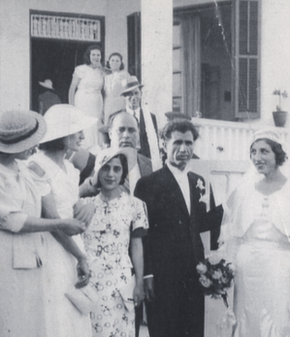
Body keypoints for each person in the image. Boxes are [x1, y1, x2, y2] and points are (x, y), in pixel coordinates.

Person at [0, 110, 87, 337]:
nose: (34, 148)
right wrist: (61, 224)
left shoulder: (24, 168)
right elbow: (14, 220)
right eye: (28, 143)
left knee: (29, 324)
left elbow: (48, 206)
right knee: (3, 322)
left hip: (32, 259)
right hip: (1, 258)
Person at [219, 128, 290, 337]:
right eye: (253, 152)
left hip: (280, 272)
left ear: (277, 154)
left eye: (264, 151)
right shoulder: (243, 190)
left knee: (280, 324)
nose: (257, 158)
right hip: (245, 274)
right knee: (246, 324)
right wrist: (227, 274)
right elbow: (233, 237)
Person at [134, 120, 223, 337]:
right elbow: (143, 235)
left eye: (189, 143)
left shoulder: (199, 182)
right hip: (163, 278)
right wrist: (148, 274)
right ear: (164, 145)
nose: (183, 149)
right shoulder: (148, 184)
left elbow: (205, 226)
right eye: (177, 143)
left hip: (194, 276)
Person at [26, 104, 97, 337]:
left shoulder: (70, 167)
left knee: (75, 313)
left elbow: (74, 207)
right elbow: (53, 220)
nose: (83, 136)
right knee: (56, 316)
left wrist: (87, 208)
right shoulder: (36, 165)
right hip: (53, 249)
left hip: (74, 247)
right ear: (61, 133)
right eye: (77, 131)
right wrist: (80, 256)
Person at [80, 147, 148, 337]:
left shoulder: (135, 205)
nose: (111, 174)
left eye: (116, 169)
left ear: (123, 173)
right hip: (90, 279)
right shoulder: (85, 205)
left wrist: (139, 283)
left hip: (121, 280)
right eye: (105, 168)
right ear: (97, 171)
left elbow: (136, 246)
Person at [108, 76, 159, 160]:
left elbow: (154, 145)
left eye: (136, 93)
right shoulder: (116, 117)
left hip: (145, 162)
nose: (134, 97)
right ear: (124, 96)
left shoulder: (150, 117)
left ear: (141, 94)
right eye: (130, 94)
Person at [68, 44, 106, 150]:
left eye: (98, 55)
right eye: (93, 54)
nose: (96, 57)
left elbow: (109, 84)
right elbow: (72, 88)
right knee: (85, 124)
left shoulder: (102, 71)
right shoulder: (81, 69)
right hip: (82, 100)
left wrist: (101, 68)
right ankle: (84, 149)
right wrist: (72, 107)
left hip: (97, 101)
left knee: (96, 124)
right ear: (88, 56)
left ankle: (96, 149)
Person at [103, 53, 131, 124]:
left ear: (121, 63)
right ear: (109, 62)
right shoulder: (107, 77)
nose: (114, 62)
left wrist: (126, 108)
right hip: (108, 106)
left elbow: (128, 91)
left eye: (117, 61)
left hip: (120, 105)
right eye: (112, 60)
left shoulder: (124, 75)